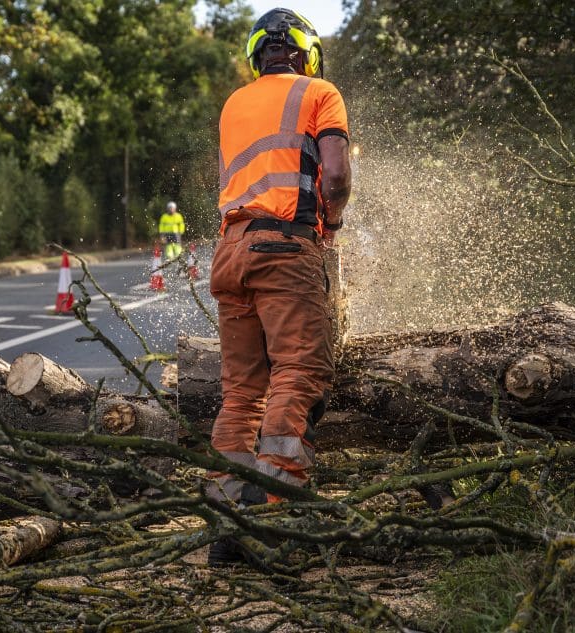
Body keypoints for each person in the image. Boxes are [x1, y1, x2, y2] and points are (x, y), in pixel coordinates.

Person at [207, 8, 351, 565]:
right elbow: (335, 175)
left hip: (230, 249)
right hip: (285, 246)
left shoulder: (234, 103)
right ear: (305, 51)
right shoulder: (320, 91)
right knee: (299, 371)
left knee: (241, 391)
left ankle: (226, 522)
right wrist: (330, 230)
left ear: (256, 56)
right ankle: (275, 515)